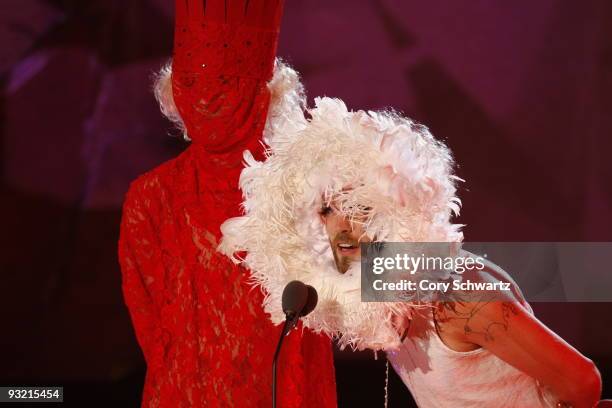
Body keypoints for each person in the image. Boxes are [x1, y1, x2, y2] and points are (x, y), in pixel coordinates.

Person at [218, 62, 605, 407]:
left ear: (397, 206)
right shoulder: (384, 288)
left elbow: (582, 384)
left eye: (361, 208)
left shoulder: (456, 294)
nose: (343, 226)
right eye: (326, 210)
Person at [118, 1, 337, 406]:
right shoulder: (150, 197)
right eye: (193, 81)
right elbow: (151, 326)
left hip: (285, 388)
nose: (207, 98)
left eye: (225, 81)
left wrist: (467, 274)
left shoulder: (310, 183)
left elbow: (370, 279)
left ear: (262, 90)